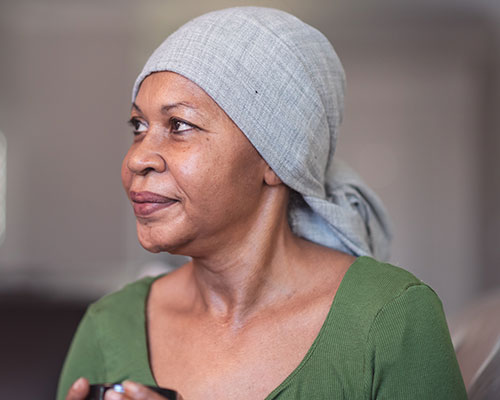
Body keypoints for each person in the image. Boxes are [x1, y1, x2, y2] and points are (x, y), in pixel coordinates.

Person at [58, 7, 466, 400]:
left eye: (179, 125)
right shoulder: (109, 326)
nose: (136, 159)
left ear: (275, 159)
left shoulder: (392, 317)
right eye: (138, 126)